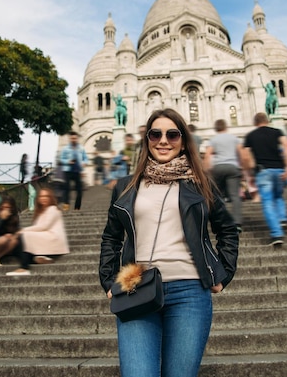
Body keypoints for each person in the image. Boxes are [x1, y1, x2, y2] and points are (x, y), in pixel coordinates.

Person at [99, 108, 239, 377]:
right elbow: (111, 236)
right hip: (136, 289)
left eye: (172, 134)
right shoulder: (127, 186)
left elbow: (228, 230)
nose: (163, 140)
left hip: (190, 293)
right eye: (156, 134)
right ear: (147, 139)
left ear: (183, 141)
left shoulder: (201, 185)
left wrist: (224, 272)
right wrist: (108, 279)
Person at [243, 112, 287, 245]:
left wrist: (249, 172)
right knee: (279, 196)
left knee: (268, 201)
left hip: (263, 171)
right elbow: (286, 147)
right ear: (267, 121)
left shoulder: (251, 136)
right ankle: (282, 219)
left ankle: (277, 234)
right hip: (279, 170)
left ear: (255, 123)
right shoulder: (277, 132)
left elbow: (245, 156)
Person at [7, 187, 69, 276]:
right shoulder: (42, 211)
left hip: (53, 236)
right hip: (46, 235)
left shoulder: (52, 209)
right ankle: (35, 258)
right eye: (41, 196)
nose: (43, 198)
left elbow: (44, 226)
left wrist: (22, 230)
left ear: (50, 198)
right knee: (20, 241)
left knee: (24, 236)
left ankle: (24, 267)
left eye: (46, 196)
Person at [203, 119, 248, 231]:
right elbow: (242, 153)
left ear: (216, 128)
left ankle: (221, 221)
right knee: (234, 195)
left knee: (218, 195)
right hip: (232, 167)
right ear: (226, 127)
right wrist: (242, 167)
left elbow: (208, 155)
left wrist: (207, 170)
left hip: (218, 168)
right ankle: (237, 222)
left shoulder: (213, 140)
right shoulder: (234, 139)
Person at [60, 131, 89, 210]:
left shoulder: (81, 148)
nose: (74, 140)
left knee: (79, 190)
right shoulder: (65, 149)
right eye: (72, 138)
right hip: (68, 171)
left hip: (77, 171)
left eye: (75, 138)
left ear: (77, 139)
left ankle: (77, 207)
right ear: (70, 139)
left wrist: (84, 163)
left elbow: (86, 159)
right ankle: (66, 205)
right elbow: (61, 159)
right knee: (67, 189)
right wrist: (68, 161)